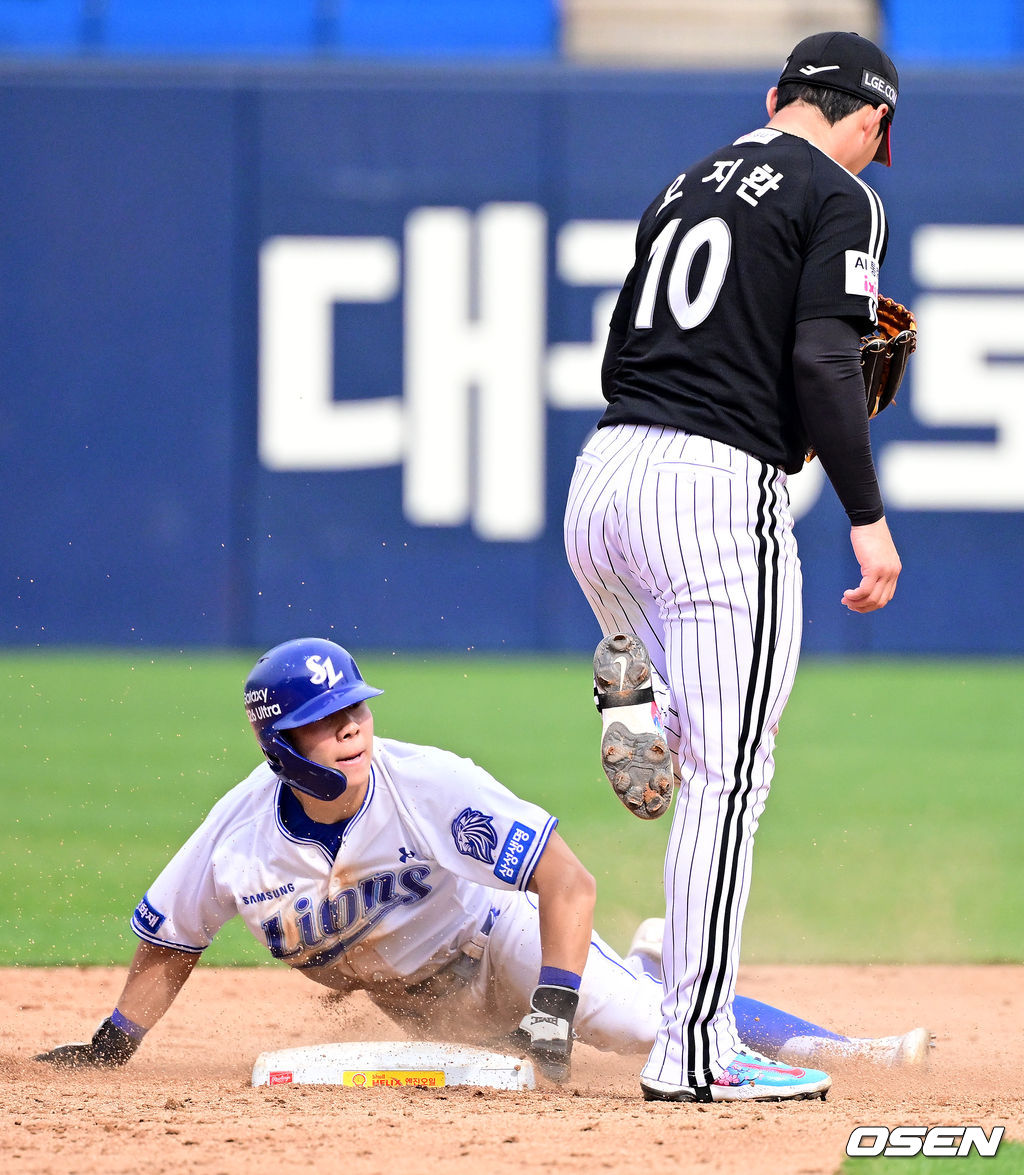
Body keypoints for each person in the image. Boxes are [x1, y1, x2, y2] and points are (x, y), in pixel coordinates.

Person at [34, 638, 927, 1100]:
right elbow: (172, 940)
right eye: (325, 720)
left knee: (645, 1030)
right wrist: (113, 1044)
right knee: (524, 1053)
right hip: (430, 1006)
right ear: (280, 744)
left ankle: (841, 1050)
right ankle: (643, 958)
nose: (352, 727)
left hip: (502, 935)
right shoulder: (235, 838)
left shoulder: (428, 782)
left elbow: (565, 881)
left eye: (356, 710)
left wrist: (555, 1005)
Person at [562, 31, 905, 1102]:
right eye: (877, 134)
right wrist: (866, 516)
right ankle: (694, 1051)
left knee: (704, 728)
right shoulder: (842, 193)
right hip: (709, 498)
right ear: (869, 119)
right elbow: (821, 355)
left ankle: (647, 704)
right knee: (730, 776)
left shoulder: (687, 181)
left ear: (774, 97)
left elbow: (628, 347)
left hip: (603, 481)